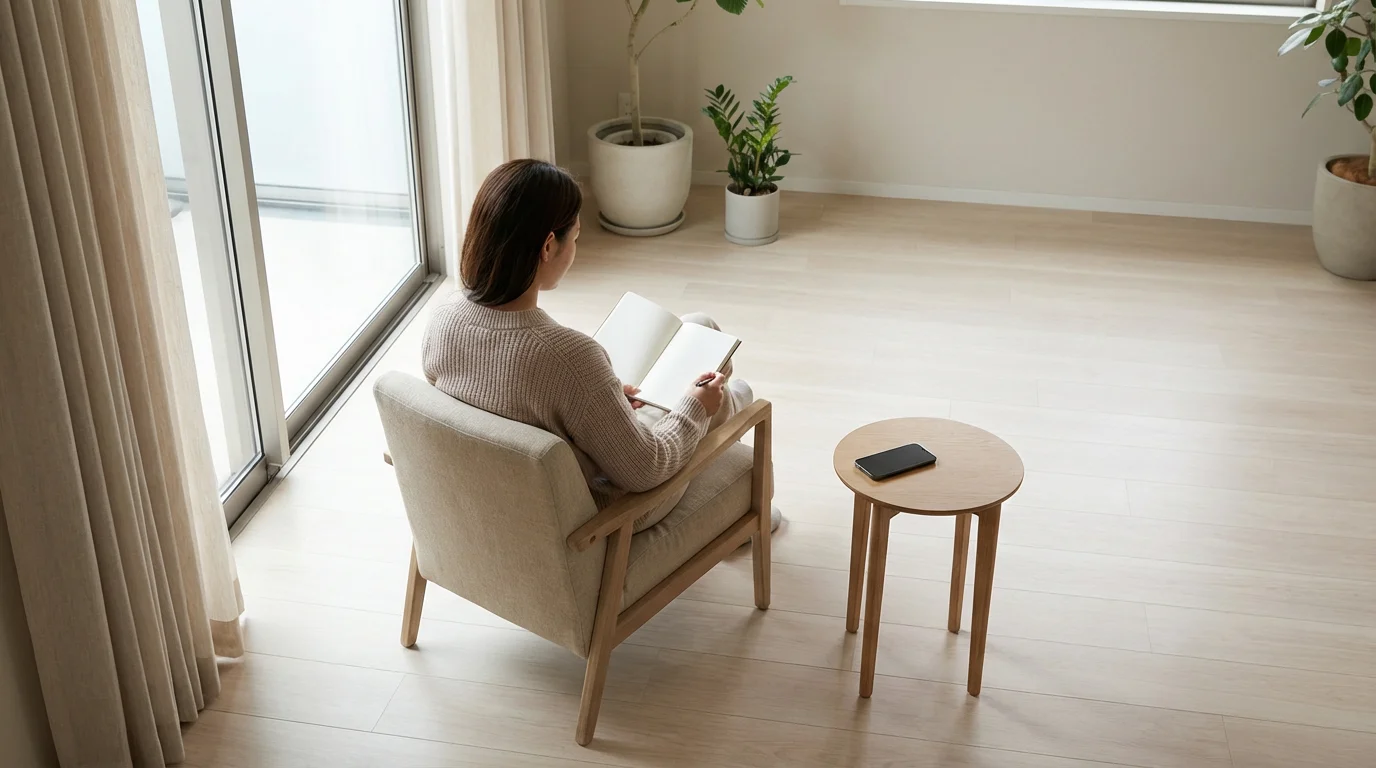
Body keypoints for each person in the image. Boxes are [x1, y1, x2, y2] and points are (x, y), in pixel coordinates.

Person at [422, 159, 778, 532]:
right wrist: (695, 408)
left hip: (504, 500)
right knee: (719, 385)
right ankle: (741, 444)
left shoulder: (443, 318)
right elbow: (647, 470)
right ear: (547, 247)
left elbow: (490, 403)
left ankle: (730, 408)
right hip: (606, 509)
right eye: (575, 237)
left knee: (699, 325)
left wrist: (599, 409)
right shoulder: (566, 358)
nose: (575, 247)